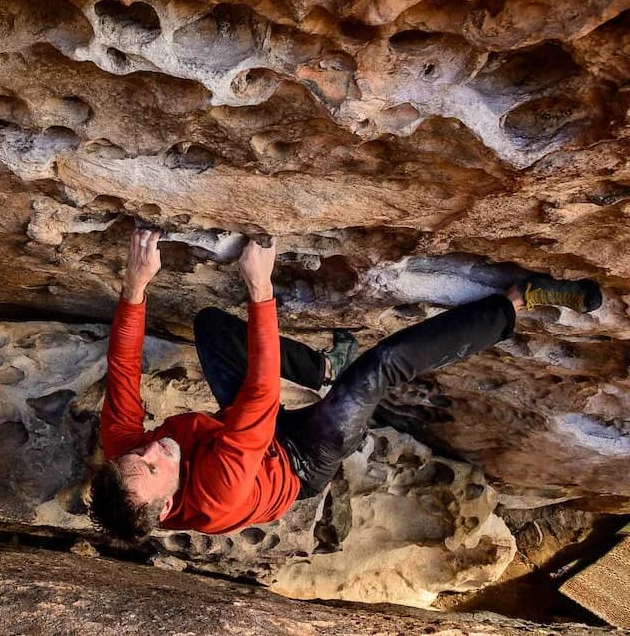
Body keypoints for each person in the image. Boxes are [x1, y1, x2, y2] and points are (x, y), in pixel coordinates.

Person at [89, 228, 603, 542]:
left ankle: (321, 369)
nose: (155, 446)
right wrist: (260, 286)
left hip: (239, 440)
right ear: (163, 506)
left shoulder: (127, 455)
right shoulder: (216, 494)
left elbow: (123, 372)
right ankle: (515, 302)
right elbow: (261, 397)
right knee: (379, 367)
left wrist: (135, 286)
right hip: (301, 459)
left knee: (211, 328)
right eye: (157, 466)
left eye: (140, 454)